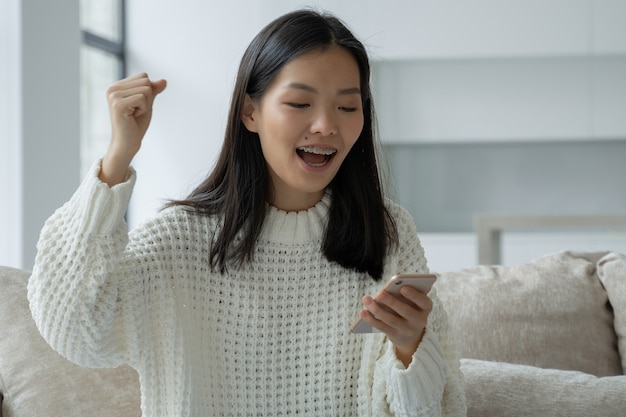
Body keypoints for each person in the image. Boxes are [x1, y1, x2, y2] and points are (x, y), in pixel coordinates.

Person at [28, 9, 466, 417]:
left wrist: (410, 346)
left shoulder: (387, 234)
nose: (326, 125)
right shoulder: (180, 240)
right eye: (300, 103)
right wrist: (118, 156)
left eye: (348, 107)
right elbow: (74, 328)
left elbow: (434, 407)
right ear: (250, 111)